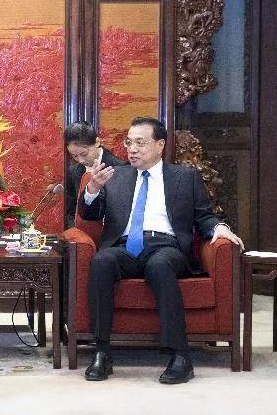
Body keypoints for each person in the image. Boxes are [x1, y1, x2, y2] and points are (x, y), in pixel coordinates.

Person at [78, 116, 244, 384]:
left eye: (140, 143)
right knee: (101, 261)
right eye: (129, 143)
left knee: (159, 265)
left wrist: (219, 228)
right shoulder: (115, 175)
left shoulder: (185, 177)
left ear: (160, 145)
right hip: (124, 246)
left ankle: (180, 356)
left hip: (165, 246)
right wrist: (93, 189)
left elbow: (204, 216)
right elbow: (90, 215)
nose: (132, 149)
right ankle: (102, 352)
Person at [64, 121, 127, 228]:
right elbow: (71, 211)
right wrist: (74, 232)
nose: (80, 160)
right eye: (74, 156)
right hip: (80, 233)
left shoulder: (120, 168)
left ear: (97, 142)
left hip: (109, 233)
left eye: (84, 154)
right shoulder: (72, 171)